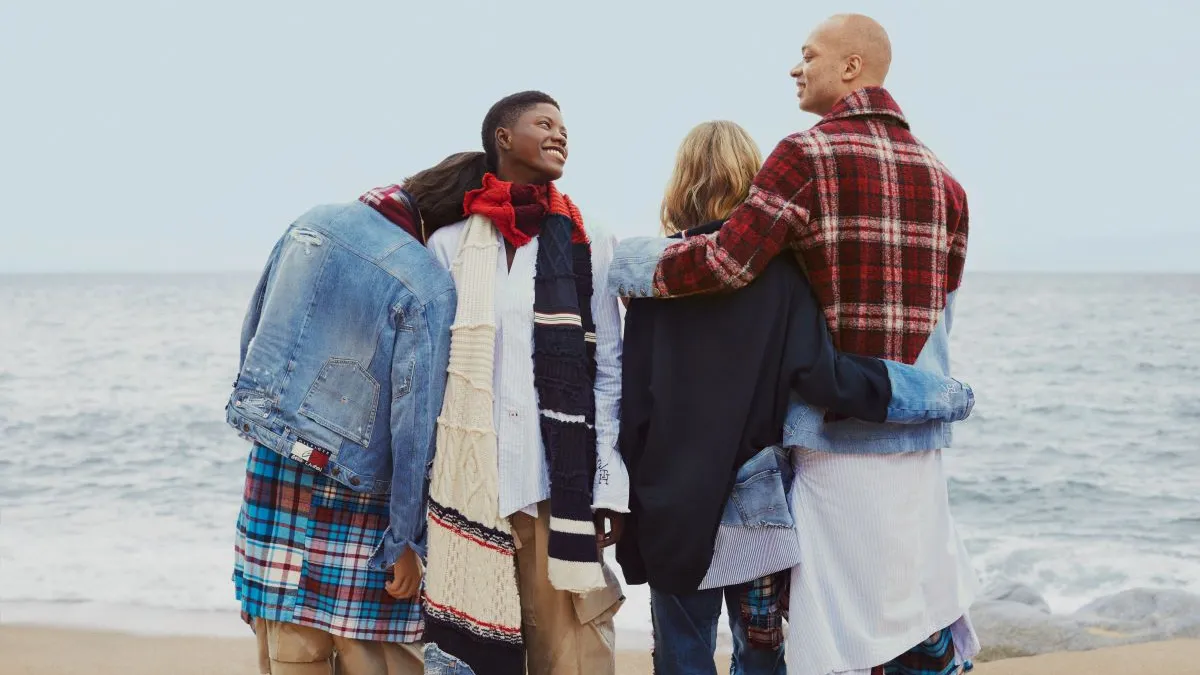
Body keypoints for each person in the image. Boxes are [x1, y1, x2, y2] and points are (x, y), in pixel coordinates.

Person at [608, 14, 980, 675]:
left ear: (851, 67)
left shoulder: (806, 155)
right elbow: (941, 316)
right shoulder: (947, 182)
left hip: (828, 436)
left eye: (807, 55)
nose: (794, 67)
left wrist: (633, 263)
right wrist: (939, 399)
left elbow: (725, 263)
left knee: (833, 638)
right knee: (900, 621)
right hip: (913, 439)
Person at [226, 153, 478, 675]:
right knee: (367, 646)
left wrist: (265, 417)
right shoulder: (426, 282)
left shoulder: (312, 223)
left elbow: (252, 333)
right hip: (354, 483)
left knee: (286, 641)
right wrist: (404, 539)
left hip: (273, 461)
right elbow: (414, 427)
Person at [421, 91, 628, 675]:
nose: (561, 135)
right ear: (503, 138)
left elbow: (610, 369)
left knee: (577, 657)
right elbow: (431, 374)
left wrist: (608, 484)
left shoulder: (593, 241)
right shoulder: (450, 245)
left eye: (565, 128)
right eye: (545, 123)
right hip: (471, 493)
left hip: (554, 492)